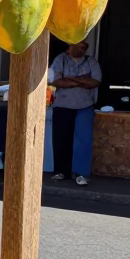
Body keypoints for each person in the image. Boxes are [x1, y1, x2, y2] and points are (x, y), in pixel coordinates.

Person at [49, 40, 101, 186]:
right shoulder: (60, 59)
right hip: (62, 105)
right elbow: (54, 81)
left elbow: (96, 81)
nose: (83, 49)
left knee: (83, 140)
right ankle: (61, 171)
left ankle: (81, 173)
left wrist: (70, 80)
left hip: (85, 105)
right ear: (71, 46)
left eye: (85, 47)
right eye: (81, 46)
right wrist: (82, 80)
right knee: (61, 139)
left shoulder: (91, 61)